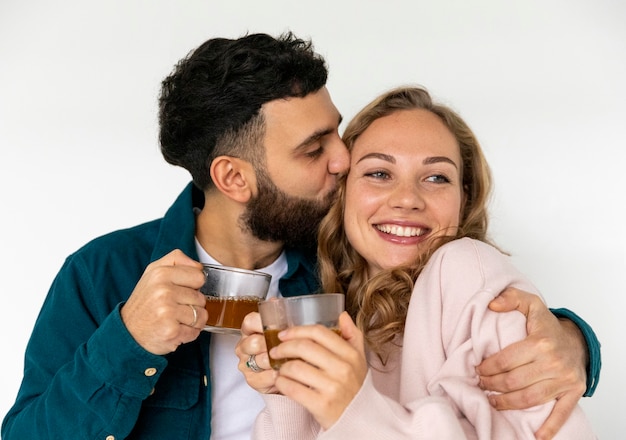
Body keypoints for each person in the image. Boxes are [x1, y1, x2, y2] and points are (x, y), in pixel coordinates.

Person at [2, 32, 597, 440]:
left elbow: (459, 318)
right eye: (315, 149)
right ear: (234, 177)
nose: (344, 159)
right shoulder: (104, 273)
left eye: (336, 134)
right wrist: (127, 342)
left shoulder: (347, 262)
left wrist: (574, 341)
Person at [237, 86, 597, 439]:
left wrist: (355, 410)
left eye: (436, 177)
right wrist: (284, 392)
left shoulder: (465, 270)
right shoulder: (345, 311)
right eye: (379, 173)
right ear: (343, 192)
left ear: (463, 197)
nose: (407, 199)